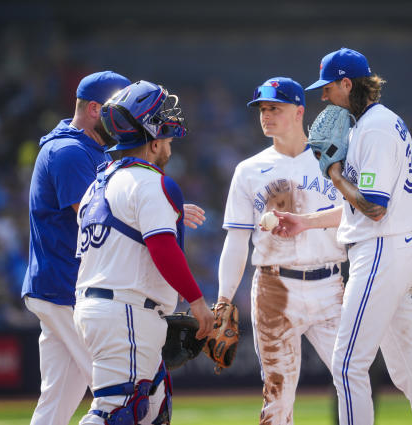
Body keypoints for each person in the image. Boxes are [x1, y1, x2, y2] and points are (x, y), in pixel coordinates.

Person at [273, 48, 412, 425]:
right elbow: (359, 211)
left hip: (381, 253)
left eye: (328, 87)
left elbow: (374, 207)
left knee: (348, 364)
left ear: (347, 83)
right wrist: (305, 221)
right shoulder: (371, 125)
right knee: (409, 372)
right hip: (389, 249)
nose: (323, 96)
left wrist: (335, 172)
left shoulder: (375, 127)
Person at [73, 80, 214, 425]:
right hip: (125, 311)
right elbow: (163, 250)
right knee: (118, 410)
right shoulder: (152, 182)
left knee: (152, 409)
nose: (168, 139)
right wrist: (196, 301)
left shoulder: (100, 183)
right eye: (164, 129)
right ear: (151, 138)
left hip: (105, 307)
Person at [217, 76, 347, 424]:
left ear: (299, 111)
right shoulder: (248, 170)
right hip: (275, 286)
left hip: (330, 282)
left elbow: (357, 217)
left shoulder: (333, 160)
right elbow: (236, 239)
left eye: (275, 107)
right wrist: (224, 299)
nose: (266, 115)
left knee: (353, 376)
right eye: (262, 108)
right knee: (277, 392)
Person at [22, 70, 131, 425]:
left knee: (55, 404)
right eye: (120, 111)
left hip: (61, 287)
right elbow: (96, 218)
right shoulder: (69, 151)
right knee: (117, 392)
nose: (125, 121)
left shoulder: (87, 148)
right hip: (66, 288)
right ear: (96, 109)